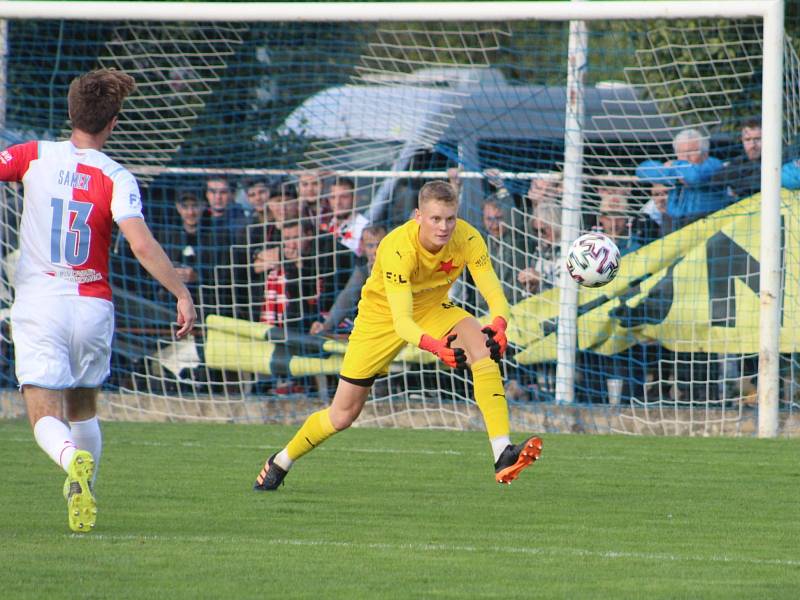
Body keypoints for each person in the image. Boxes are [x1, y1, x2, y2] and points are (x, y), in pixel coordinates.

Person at [0, 69, 196, 532]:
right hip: (92, 307)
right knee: (83, 405)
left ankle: (71, 463)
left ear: (70, 114)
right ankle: (84, 489)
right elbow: (142, 245)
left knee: (42, 410)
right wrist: (181, 293)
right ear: (113, 123)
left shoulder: (33, 155)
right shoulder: (117, 176)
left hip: (41, 302)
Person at [253, 181, 542, 491]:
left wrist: (499, 324)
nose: (444, 227)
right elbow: (402, 321)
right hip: (381, 319)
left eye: (450, 218)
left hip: (433, 309)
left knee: (482, 348)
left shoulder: (468, 237)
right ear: (418, 216)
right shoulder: (397, 247)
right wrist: (435, 348)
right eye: (435, 219)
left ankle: (502, 452)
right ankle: (282, 460)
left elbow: (496, 296)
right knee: (342, 415)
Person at [635, 128, 726, 227]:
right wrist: (675, 172)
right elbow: (642, 170)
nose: (686, 158)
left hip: (707, 223)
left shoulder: (713, 165)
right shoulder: (676, 170)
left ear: (705, 153)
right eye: (681, 153)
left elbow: (694, 177)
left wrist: (674, 168)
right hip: (676, 225)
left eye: (692, 152)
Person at [309, 225, 387, 335]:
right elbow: (347, 298)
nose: (375, 250)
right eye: (370, 246)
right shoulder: (362, 271)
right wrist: (326, 325)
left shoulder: (397, 266)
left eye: (379, 245)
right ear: (363, 247)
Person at [711, 117, 762, 202]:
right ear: (742, 140)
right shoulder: (738, 162)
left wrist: (735, 188)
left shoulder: (781, 160)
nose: (752, 145)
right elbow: (715, 180)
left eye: (757, 139)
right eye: (748, 140)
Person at [318, 177, 370, 256]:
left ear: (355, 198)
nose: (337, 202)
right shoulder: (324, 225)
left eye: (344, 197)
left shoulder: (364, 226)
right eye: (333, 197)